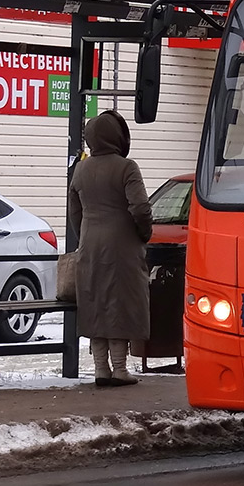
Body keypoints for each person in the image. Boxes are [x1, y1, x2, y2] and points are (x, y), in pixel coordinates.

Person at [68, 110, 153, 386]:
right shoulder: (127, 167)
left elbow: (75, 211)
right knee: (120, 302)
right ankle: (120, 369)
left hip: (90, 244)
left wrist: (84, 236)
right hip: (123, 245)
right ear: (119, 136)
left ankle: (100, 369)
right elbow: (140, 207)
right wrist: (143, 233)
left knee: (96, 301)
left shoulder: (81, 169)